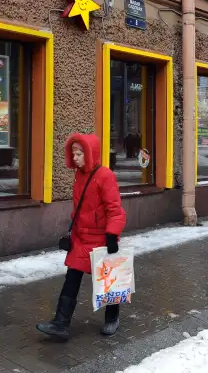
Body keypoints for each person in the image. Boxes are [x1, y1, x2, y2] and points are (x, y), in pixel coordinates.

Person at [37, 133, 126, 340]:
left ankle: (112, 319)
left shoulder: (105, 175)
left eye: (79, 153)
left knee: (108, 281)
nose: (75, 157)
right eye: (73, 153)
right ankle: (60, 324)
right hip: (81, 238)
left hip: (102, 239)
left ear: (90, 154)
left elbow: (115, 209)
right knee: (71, 278)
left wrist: (112, 235)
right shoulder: (79, 175)